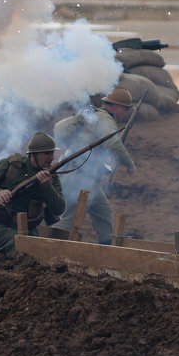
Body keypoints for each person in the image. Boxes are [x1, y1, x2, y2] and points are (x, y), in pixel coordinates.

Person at [53, 87, 136, 245]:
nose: (125, 114)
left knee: (104, 214)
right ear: (118, 107)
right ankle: (46, 249)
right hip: (79, 178)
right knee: (68, 222)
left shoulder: (93, 117)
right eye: (125, 110)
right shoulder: (104, 119)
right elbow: (112, 141)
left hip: (88, 179)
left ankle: (108, 246)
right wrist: (128, 163)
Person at [0, 132, 66, 259]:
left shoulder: (51, 177)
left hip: (29, 230)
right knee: (21, 250)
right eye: (46, 153)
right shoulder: (12, 165)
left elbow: (59, 209)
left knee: (43, 255)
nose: (52, 157)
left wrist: (47, 187)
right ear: (33, 154)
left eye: (52, 153)